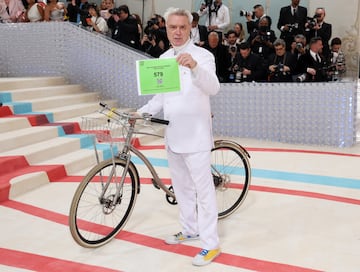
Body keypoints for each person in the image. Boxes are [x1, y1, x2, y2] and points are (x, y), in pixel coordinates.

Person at [137, 7, 221, 266]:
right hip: (173, 135)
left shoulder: (203, 56)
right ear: (166, 28)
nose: (176, 31)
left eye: (182, 27)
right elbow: (161, 98)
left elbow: (213, 88)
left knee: (203, 191)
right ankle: (189, 229)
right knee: (182, 188)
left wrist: (195, 67)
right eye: (172, 27)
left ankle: (211, 244)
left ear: (190, 29)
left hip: (196, 135)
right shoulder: (163, 57)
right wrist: (139, 112)